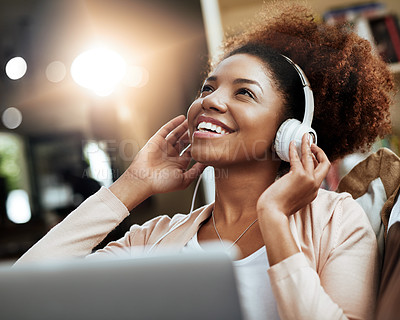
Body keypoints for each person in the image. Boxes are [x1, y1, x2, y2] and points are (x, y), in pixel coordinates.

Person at [15, 3, 393, 320]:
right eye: (207, 88)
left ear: (290, 131)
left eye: (244, 92)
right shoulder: (154, 237)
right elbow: (25, 294)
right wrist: (132, 184)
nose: (210, 101)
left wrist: (275, 218)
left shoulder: (337, 219)